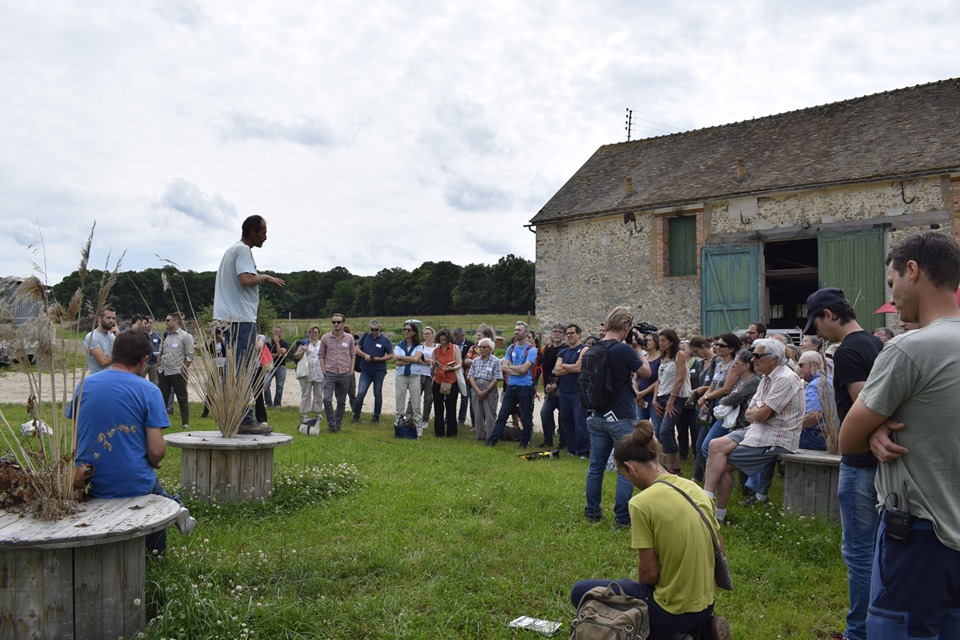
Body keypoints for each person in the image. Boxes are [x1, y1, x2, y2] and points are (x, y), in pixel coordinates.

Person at [840, 232, 960, 639]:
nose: (893, 298)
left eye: (892, 284)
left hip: (922, 535)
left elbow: (847, 439)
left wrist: (871, 430)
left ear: (912, 271)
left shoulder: (910, 348)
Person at [570, 422, 732, 640]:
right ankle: (703, 629)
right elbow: (720, 549)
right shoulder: (695, 489)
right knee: (637, 593)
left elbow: (649, 574)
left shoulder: (641, 503)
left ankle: (677, 636)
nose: (628, 480)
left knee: (580, 591)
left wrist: (639, 594)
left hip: (671, 610)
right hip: (706, 605)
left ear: (631, 468)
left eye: (624, 475)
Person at [803, 287, 883, 640]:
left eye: (816, 322)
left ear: (830, 315)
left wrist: (873, 434)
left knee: (860, 554)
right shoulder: (875, 344)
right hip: (878, 463)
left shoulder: (849, 351)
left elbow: (868, 405)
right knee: (879, 551)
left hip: (861, 463)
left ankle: (858, 632)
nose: (816, 331)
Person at [69, 330, 195, 553]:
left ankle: (176, 506)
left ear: (113, 353)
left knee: (151, 483)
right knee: (155, 497)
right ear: (144, 360)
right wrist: (152, 460)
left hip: (87, 480)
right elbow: (157, 450)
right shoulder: (148, 390)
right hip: (131, 483)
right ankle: (156, 555)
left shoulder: (83, 386)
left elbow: (76, 439)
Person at [703, 338, 804, 523]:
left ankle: (713, 512)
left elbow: (760, 414)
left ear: (774, 359)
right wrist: (758, 412)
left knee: (720, 465)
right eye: (752, 355)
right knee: (715, 445)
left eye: (757, 356)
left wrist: (758, 412)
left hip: (776, 437)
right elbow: (751, 413)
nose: (753, 360)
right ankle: (707, 499)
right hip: (758, 430)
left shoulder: (785, 379)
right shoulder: (766, 377)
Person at [212, 214, 285, 435]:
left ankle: (231, 415)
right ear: (252, 232)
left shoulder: (231, 250)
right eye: (263, 232)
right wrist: (265, 277)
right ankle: (244, 419)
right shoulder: (243, 250)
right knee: (242, 369)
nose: (265, 237)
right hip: (240, 318)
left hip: (229, 318)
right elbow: (245, 279)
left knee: (233, 369)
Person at [583, 306, 651, 528]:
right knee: (625, 468)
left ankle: (592, 513)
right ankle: (622, 518)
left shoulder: (594, 347)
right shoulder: (623, 350)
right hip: (621, 415)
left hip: (597, 414)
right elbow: (646, 373)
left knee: (596, 466)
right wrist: (638, 347)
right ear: (626, 326)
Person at [485, 322, 539, 448]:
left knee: (525, 416)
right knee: (503, 414)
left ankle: (524, 442)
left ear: (526, 333)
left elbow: (524, 370)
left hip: (526, 387)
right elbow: (504, 366)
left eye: (519, 330)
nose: (516, 332)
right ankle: (493, 440)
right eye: (515, 329)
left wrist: (512, 368)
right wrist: (516, 369)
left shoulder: (531, 350)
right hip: (512, 386)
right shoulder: (511, 348)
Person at [652, 329, 691, 475]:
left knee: (666, 430)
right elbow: (659, 380)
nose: (660, 343)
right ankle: (673, 466)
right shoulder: (663, 357)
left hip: (674, 397)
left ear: (671, 341)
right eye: (659, 340)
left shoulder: (679, 355)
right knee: (662, 432)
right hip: (661, 396)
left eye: (663, 340)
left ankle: (672, 465)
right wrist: (655, 400)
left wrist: (671, 400)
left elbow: (680, 378)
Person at [555, 324, 589, 457]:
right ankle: (571, 449)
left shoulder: (584, 349)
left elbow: (579, 368)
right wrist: (569, 367)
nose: (569, 335)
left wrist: (564, 366)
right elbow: (557, 371)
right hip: (564, 391)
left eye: (572, 333)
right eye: (567, 333)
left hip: (577, 392)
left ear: (579, 334)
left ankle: (583, 451)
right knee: (566, 421)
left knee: (580, 422)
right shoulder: (563, 351)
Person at [157, 312, 194, 430]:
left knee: (182, 398)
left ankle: (185, 423)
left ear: (176, 321)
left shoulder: (186, 336)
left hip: (177, 372)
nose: (166, 322)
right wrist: (159, 368)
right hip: (164, 371)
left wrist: (183, 370)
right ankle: (162, 422)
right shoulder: (165, 335)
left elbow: (190, 356)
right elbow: (161, 352)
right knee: (163, 398)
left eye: (168, 320)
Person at [319, 313, 355, 432]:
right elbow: (321, 355)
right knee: (327, 399)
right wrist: (323, 370)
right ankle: (331, 423)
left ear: (343, 323)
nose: (336, 324)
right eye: (334, 322)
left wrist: (351, 370)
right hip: (330, 372)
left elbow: (353, 355)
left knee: (341, 401)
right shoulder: (325, 338)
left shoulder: (349, 338)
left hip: (345, 372)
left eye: (338, 322)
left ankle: (338, 425)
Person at [353, 319, 393, 424]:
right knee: (361, 393)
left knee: (377, 393)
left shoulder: (385, 339)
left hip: (379, 369)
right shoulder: (365, 337)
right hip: (366, 368)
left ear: (380, 329)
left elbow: (390, 354)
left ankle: (376, 417)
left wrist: (381, 359)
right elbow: (357, 348)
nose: (374, 331)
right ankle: (356, 417)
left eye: (376, 329)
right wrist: (365, 355)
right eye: (372, 329)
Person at [394, 322, 426, 437]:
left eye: (408, 330)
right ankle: (398, 428)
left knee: (416, 404)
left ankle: (418, 429)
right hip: (401, 376)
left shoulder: (419, 346)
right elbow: (396, 362)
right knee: (400, 404)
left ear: (414, 332)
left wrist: (403, 358)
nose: (406, 332)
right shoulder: (398, 345)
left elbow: (417, 358)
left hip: (414, 377)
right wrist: (411, 360)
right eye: (404, 329)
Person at [797, 351, 832, 451]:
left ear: (815, 366)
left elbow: (814, 415)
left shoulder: (815, 385)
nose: (799, 368)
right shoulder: (830, 380)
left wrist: (794, 426)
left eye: (801, 365)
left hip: (815, 439)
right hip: (831, 438)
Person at [538, 323, 566, 448]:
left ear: (564, 335)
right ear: (551, 334)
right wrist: (548, 385)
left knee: (563, 417)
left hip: (563, 387)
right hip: (551, 387)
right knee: (545, 413)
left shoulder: (566, 350)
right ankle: (548, 440)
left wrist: (556, 384)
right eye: (555, 331)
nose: (557, 334)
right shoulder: (548, 351)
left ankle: (563, 442)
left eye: (560, 332)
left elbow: (564, 370)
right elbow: (546, 371)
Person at [468, 337, 501, 442]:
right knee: (477, 413)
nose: (481, 349)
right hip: (476, 388)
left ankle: (490, 436)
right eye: (480, 347)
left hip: (489, 389)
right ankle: (480, 435)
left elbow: (497, 378)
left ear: (490, 349)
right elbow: (471, 377)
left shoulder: (496, 361)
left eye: (484, 347)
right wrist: (477, 390)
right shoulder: (475, 361)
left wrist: (486, 390)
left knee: (490, 414)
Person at [431, 328, 462, 438]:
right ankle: (439, 432)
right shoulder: (436, 350)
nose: (443, 341)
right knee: (438, 407)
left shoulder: (455, 348)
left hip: (451, 380)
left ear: (448, 339)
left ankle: (451, 432)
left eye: (445, 339)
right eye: (441, 339)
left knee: (451, 407)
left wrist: (451, 368)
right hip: (438, 380)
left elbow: (459, 364)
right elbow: (432, 364)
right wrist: (433, 365)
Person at [293, 326, 324, 430]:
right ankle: (304, 412)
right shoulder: (304, 343)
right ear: (309, 333)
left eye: (315, 332)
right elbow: (296, 356)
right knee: (306, 393)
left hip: (319, 373)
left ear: (318, 333)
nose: (314, 334)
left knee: (318, 394)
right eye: (312, 332)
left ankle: (318, 412)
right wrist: (303, 351)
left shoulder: (322, 344)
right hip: (307, 373)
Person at [84, 305, 119, 373]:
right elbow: (103, 362)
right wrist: (121, 357)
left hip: (113, 376)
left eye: (113, 318)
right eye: (108, 318)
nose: (111, 321)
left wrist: (119, 336)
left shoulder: (113, 336)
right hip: (99, 379)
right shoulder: (92, 337)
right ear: (99, 318)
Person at [453, 328, 475, 426]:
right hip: (454, 373)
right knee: (452, 397)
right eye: (456, 338)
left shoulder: (471, 344)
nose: (457, 340)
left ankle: (461, 419)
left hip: (465, 374)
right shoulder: (452, 344)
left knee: (465, 397)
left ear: (463, 335)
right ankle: (450, 417)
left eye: (458, 338)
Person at [263, 325, 289, 407]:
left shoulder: (284, 343)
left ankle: (277, 404)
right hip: (269, 366)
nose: (276, 333)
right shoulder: (268, 343)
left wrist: (277, 343)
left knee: (279, 386)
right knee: (265, 385)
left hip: (280, 366)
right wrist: (277, 354)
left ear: (281, 333)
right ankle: (268, 403)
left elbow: (282, 353)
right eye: (274, 331)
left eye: (277, 331)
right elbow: (265, 354)